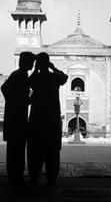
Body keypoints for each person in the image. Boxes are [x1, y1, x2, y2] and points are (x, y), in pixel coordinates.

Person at [27, 52, 68, 186]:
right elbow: (65, 77)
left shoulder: (36, 78)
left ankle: (34, 176)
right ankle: (51, 178)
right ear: (48, 63)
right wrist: (53, 67)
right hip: (52, 118)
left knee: (35, 150)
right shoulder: (54, 77)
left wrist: (36, 69)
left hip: (37, 118)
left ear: (37, 64)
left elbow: (29, 81)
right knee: (52, 151)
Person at [1, 51, 35, 185]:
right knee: (18, 148)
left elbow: (4, 88)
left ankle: (15, 175)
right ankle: (16, 176)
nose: (33, 65)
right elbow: (5, 89)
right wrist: (23, 101)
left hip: (14, 116)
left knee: (14, 149)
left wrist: (12, 102)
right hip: (17, 119)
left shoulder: (18, 74)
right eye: (31, 62)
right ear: (26, 62)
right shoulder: (20, 75)